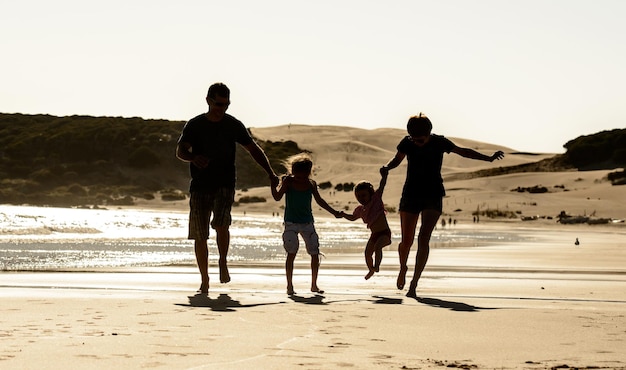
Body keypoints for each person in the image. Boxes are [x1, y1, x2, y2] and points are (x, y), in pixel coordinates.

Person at [381, 113, 504, 298]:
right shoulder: (407, 143)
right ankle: (403, 267)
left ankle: (414, 284)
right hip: (411, 194)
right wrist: (387, 168)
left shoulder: (440, 142)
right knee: (407, 240)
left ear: (429, 133)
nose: (417, 143)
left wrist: (488, 158)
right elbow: (397, 160)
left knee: (424, 239)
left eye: (420, 140)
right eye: (414, 139)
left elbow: (463, 152)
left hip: (433, 193)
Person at [176, 82, 278, 294]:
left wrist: (270, 173)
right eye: (218, 104)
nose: (222, 108)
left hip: (225, 182)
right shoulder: (195, 125)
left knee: (222, 224)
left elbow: (253, 149)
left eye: (226, 104)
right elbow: (180, 151)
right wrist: (194, 158)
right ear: (208, 101)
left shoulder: (233, 125)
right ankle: (204, 279)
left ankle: (222, 260)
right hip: (200, 185)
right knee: (200, 235)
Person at [271, 153, 340, 295]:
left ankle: (314, 285)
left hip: (307, 223)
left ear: (309, 174)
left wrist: (334, 212)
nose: (300, 179)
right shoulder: (288, 182)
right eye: (297, 176)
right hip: (290, 223)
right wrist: (273, 185)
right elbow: (277, 197)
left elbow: (320, 201)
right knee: (291, 252)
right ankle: (289, 286)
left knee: (314, 252)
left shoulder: (311, 184)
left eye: (303, 177)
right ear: (292, 172)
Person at [338, 168, 392, 280]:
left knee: (378, 248)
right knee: (367, 253)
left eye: (363, 195)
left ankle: (376, 266)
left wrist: (384, 175)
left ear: (370, 194)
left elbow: (382, 186)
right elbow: (352, 218)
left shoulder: (376, 200)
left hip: (384, 233)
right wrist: (343, 214)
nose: (361, 198)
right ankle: (371, 269)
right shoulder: (360, 210)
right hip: (374, 235)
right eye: (358, 196)